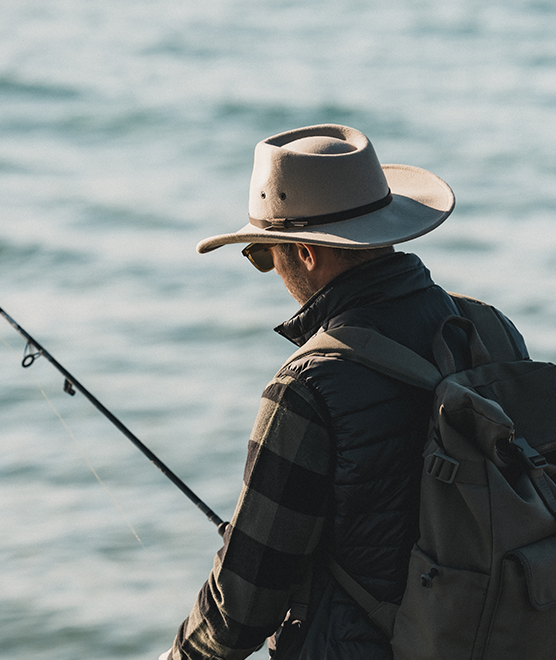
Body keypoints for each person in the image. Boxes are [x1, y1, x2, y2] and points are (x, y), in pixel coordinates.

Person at [160, 124, 528, 660]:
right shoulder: (491, 330)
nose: (271, 269)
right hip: (494, 639)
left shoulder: (308, 385)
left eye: (266, 252)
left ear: (306, 252)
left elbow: (242, 606)